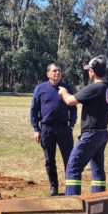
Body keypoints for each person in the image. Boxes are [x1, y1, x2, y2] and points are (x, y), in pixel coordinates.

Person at [58, 56, 108, 195]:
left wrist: (63, 92)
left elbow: (70, 101)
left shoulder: (93, 88)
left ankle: (72, 203)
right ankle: (99, 200)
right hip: (102, 134)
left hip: (90, 135)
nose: (88, 73)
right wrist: (106, 113)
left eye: (89, 70)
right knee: (98, 170)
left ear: (93, 72)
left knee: (73, 167)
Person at [30, 63, 77, 197]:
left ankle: (70, 187)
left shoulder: (66, 88)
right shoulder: (40, 88)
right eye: (54, 71)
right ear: (48, 74)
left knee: (69, 159)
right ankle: (53, 187)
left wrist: (71, 124)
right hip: (46, 129)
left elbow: (73, 108)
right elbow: (34, 110)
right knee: (49, 160)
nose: (57, 73)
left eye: (59, 71)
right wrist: (36, 129)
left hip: (64, 129)